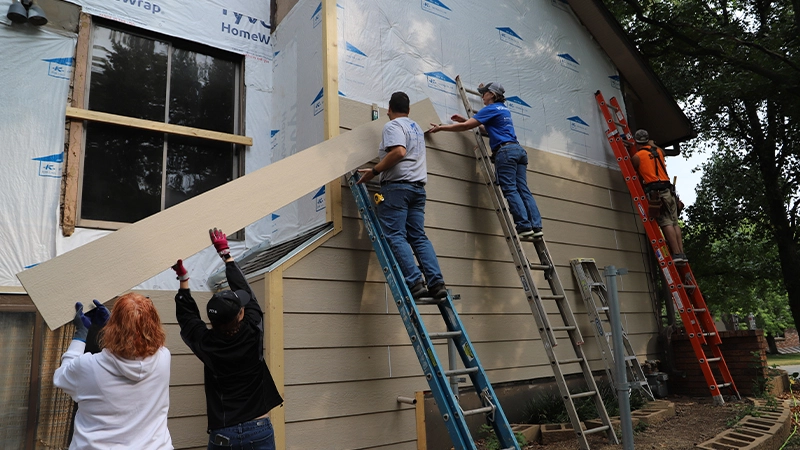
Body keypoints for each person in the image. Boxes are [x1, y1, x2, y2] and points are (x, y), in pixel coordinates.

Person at [172, 228, 282, 450]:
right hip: (258, 427)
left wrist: (184, 280)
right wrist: (225, 255)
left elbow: (188, 319)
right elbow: (246, 291)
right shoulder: (253, 329)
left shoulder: (207, 343)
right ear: (241, 315)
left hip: (224, 434)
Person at [356, 91, 448, 300]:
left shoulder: (393, 126)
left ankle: (415, 283)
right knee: (418, 237)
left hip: (398, 188)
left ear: (389, 109)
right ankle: (436, 283)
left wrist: (375, 171)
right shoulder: (415, 127)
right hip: (417, 189)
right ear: (409, 110)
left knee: (395, 235)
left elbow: (398, 152)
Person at [53, 296, 173, 450]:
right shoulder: (164, 358)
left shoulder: (91, 366)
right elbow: (138, 340)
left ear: (116, 326)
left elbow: (61, 377)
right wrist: (111, 325)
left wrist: (80, 335)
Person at [428, 82, 543, 238]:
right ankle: (536, 227)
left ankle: (523, 226)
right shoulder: (504, 110)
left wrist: (441, 127)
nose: (482, 95)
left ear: (493, 95)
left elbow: (467, 127)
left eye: (484, 92)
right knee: (523, 190)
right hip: (518, 151)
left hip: (505, 153)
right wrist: (465, 120)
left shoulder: (490, 109)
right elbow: (487, 128)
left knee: (510, 189)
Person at [631, 129, 687, 263]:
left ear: (637, 142)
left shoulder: (638, 156)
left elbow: (634, 169)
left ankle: (677, 254)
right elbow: (658, 149)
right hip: (669, 191)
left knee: (666, 223)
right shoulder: (659, 152)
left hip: (658, 193)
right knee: (674, 223)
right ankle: (681, 253)